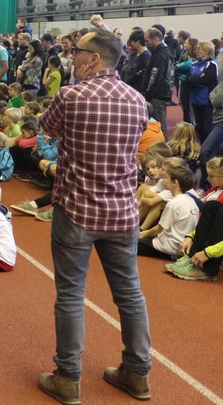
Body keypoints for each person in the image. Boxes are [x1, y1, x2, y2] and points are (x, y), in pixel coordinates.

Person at [38, 30, 152, 404]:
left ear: (93, 59)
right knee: (130, 294)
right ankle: (137, 373)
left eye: (77, 51)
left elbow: (47, 128)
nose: (71, 56)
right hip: (122, 212)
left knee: (71, 294)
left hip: (77, 211)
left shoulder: (71, 96)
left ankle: (68, 378)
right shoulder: (137, 100)